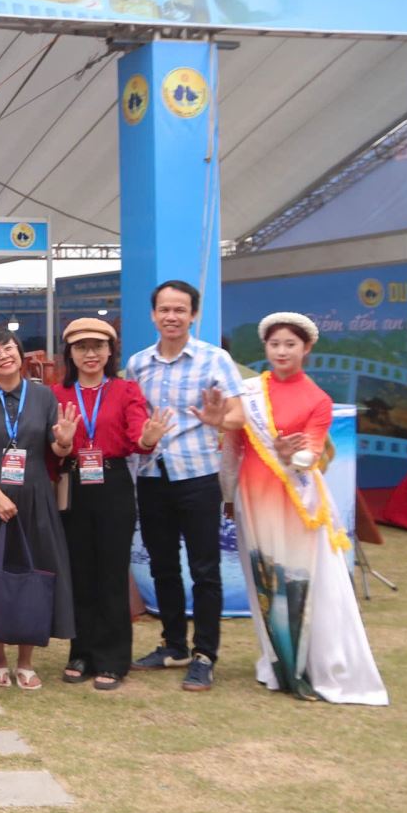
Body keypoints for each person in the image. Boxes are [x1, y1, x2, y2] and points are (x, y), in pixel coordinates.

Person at [228, 313, 387, 705]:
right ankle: (277, 663)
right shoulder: (248, 391)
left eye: (290, 345)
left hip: (297, 504)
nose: (281, 351)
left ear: (307, 348)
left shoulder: (318, 399)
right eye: (274, 345)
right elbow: (232, 445)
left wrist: (292, 456)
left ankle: (299, 670)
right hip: (253, 499)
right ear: (266, 348)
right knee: (266, 583)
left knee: (296, 582)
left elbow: (312, 452)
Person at [125, 279, 243, 692]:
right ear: (153, 315)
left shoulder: (215, 360)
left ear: (193, 315)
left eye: (180, 310)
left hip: (198, 475)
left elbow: (239, 415)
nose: (171, 316)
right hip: (152, 475)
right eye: (164, 309)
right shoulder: (138, 364)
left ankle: (205, 654)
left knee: (204, 569)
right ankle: (173, 645)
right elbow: (134, 418)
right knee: (162, 566)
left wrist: (219, 420)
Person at [50, 318, 173, 690]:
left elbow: (138, 439)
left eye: (98, 346)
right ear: (70, 353)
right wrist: (64, 442)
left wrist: (149, 438)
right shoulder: (57, 393)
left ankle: (113, 658)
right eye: (81, 347)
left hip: (113, 483)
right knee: (80, 571)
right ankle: (81, 652)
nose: (90, 354)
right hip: (73, 483)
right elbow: (51, 448)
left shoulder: (125, 390)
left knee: (111, 571)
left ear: (110, 351)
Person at [0, 328, 77, 690]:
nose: (4, 355)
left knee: (34, 571)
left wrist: (64, 442)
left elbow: (55, 449)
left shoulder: (44, 396)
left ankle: (26, 661)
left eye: (8, 347)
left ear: (19, 352)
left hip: (35, 498)